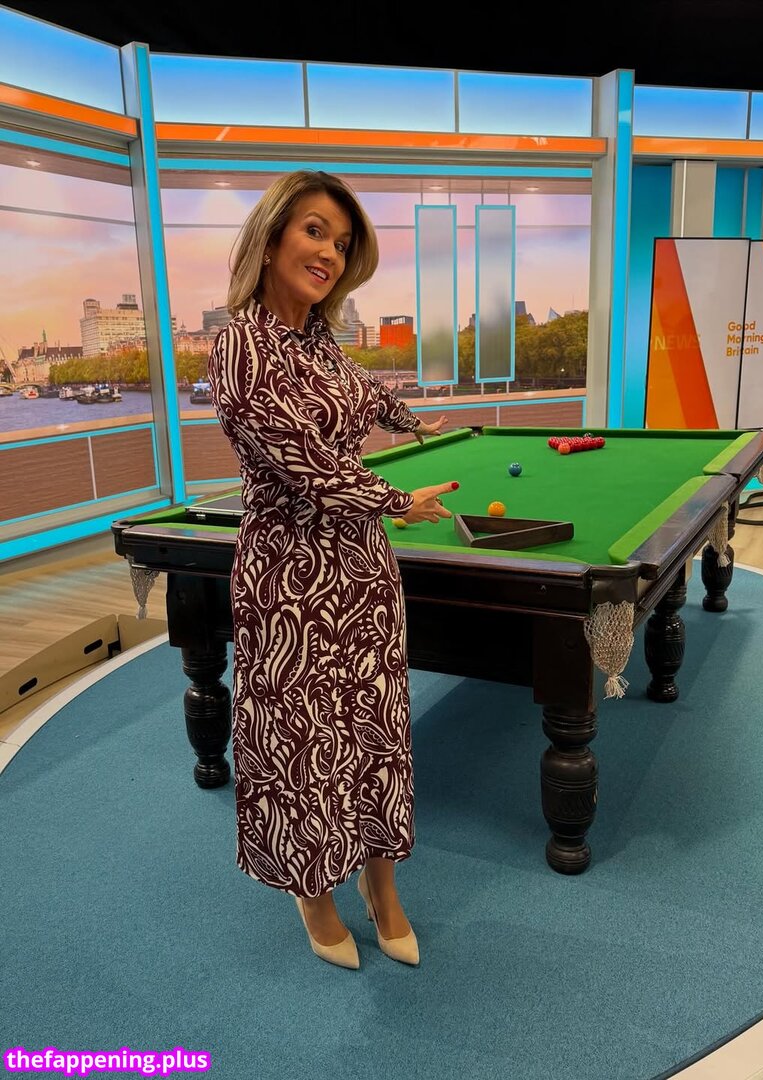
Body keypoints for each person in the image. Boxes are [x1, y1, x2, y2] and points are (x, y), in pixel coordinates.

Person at [207, 169, 458, 970]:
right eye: (314, 231)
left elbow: (363, 396)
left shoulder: (320, 339)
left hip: (361, 570)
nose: (329, 253)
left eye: (342, 244)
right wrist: (395, 499)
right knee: (299, 738)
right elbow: (301, 460)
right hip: (288, 576)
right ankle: (311, 890)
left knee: (374, 728)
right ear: (271, 238)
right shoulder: (238, 344)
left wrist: (413, 419)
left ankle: (382, 888)